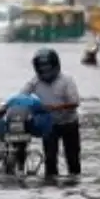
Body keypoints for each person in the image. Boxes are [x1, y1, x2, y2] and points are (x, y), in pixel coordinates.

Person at [21, 48, 81, 177]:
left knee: (73, 158)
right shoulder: (35, 81)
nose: (45, 70)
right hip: (50, 125)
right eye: (41, 67)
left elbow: (75, 103)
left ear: (55, 65)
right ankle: (50, 188)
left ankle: (74, 186)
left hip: (69, 123)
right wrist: (6, 107)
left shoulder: (66, 80)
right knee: (50, 159)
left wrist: (55, 107)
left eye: (47, 67)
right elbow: (22, 96)